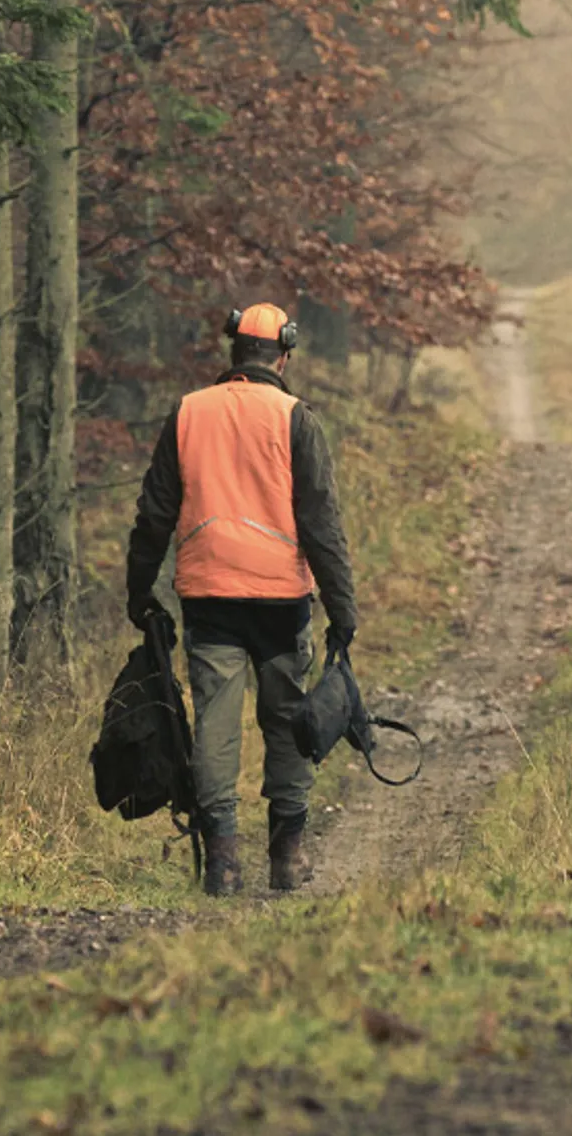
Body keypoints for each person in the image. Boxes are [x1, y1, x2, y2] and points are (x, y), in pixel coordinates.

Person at [125, 304, 359, 896]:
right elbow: (321, 524)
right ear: (283, 355)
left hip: (210, 596)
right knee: (287, 722)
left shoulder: (188, 413)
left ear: (235, 353)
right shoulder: (295, 418)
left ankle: (224, 862)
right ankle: (286, 855)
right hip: (281, 600)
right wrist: (343, 608)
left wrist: (140, 589)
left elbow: (153, 515)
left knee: (216, 725)